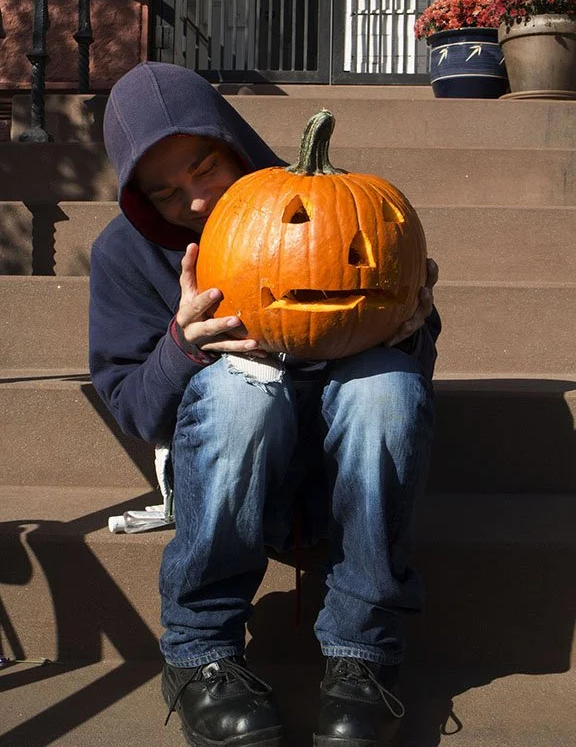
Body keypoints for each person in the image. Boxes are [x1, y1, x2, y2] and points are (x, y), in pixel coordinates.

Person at [90, 61, 441, 747]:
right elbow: (134, 410)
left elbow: (402, 376)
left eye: (206, 168)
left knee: (387, 387)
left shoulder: (330, 209)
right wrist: (181, 346)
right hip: (229, 469)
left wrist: (410, 330)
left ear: (235, 143)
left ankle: (362, 655)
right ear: (139, 199)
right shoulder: (125, 256)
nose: (194, 201)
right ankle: (200, 656)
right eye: (165, 193)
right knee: (238, 387)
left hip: (340, 474)